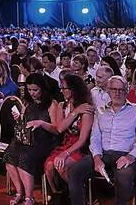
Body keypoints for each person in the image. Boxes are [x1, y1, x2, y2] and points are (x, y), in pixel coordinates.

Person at [68, 76, 136, 205]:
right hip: (104, 154)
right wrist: (96, 157)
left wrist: (130, 157)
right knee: (74, 171)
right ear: (108, 91)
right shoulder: (100, 111)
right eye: (113, 89)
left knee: (123, 176)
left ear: (126, 91)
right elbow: (95, 138)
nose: (117, 93)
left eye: (120, 90)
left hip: (127, 154)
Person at [4, 73, 62, 205]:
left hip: (46, 140)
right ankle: (20, 192)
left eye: (35, 90)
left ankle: (29, 197)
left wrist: (41, 123)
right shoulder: (27, 103)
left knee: (25, 157)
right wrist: (18, 118)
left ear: (42, 88)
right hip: (28, 137)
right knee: (9, 154)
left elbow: (56, 129)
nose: (32, 93)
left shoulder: (51, 104)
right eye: (29, 90)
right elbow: (24, 123)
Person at [44, 74, 94, 205]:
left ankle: (80, 195)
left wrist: (65, 154)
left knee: (61, 166)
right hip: (66, 143)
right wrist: (75, 112)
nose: (61, 90)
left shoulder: (86, 109)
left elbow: (83, 140)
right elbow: (59, 128)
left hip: (80, 147)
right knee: (49, 166)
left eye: (64, 88)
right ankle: (59, 195)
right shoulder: (63, 106)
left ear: (73, 90)